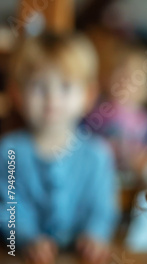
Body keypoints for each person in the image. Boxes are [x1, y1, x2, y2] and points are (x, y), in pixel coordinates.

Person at [0, 32, 118, 264]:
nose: (52, 99)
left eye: (65, 86)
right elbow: (9, 207)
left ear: (88, 95)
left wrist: (95, 235)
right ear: (17, 94)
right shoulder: (9, 151)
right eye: (38, 86)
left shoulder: (98, 155)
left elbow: (102, 209)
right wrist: (27, 239)